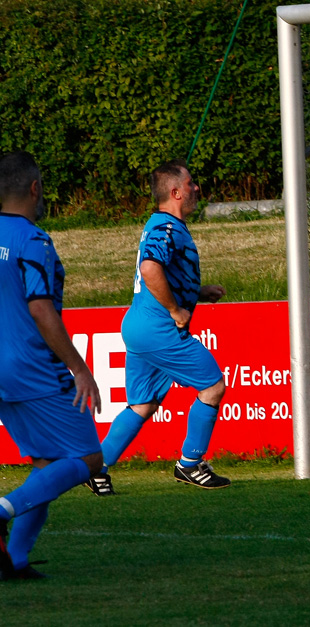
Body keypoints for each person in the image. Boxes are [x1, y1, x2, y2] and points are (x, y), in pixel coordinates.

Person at [87, 159, 229, 496]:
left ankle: (96, 468)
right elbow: (151, 268)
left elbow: (160, 272)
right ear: (176, 192)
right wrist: (175, 309)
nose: (197, 189)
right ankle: (190, 464)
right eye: (191, 184)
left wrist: (197, 292)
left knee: (143, 404)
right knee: (212, 387)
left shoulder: (159, 224)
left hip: (138, 325)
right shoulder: (167, 228)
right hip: (159, 328)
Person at [0, 151, 104, 580]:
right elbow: (41, 309)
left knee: (46, 461)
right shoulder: (33, 240)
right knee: (89, 458)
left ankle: (14, 561)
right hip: (32, 366)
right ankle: (3, 508)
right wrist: (79, 367)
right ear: (34, 188)